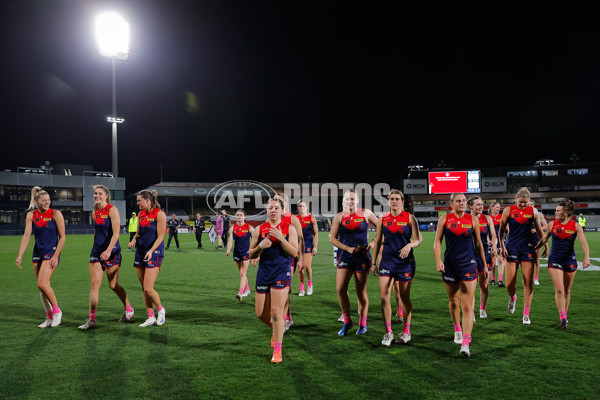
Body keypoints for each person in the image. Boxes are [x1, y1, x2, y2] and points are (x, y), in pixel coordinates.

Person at [433, 192, 487, 357]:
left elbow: (478, 244)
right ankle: (457, 328)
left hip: (468, 265)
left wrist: (484, 264)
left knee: (467, 305)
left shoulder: (473, 220)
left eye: (464, 201)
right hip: (449, 266)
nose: (462, 203)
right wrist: (438, 261)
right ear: (452, 204)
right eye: (459, 201)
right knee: (454, 302)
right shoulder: (444, 219)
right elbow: (437, 242)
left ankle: (466, 342)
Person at [249, 198, 298, 363]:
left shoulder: (288, 228)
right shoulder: (259, 230)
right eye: (270, 207)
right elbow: (250, 254)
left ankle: (278, 350)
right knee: (260, 313)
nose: (273, 210)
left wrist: (281, 238)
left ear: (282, 211)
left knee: (276, 312)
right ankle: (276, 329)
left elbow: (294, 253)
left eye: (276, 208)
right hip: (264, 273)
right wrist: (261, 246)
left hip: (281, 273)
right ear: (266, 210)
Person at [79, 185, 134, 330]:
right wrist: (95, 250)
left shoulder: (112, 209)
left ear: (106, 196)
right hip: (96, 253)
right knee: (94, 285)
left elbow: (116, 233)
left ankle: (128, 308)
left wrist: (108, 251)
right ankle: (91, 319)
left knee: (113, 285)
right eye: (95, 193)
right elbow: (97, 232)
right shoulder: (95, 211)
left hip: (112, 253)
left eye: (100, 194)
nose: (97, 196)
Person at [371, 189, 421, 346]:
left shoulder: (409, 218)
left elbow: (418, 239)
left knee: (405, 298)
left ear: (402, 202)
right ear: (388, 201)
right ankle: (388, 332)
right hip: (386, 261)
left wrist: (409, 245)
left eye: (397, 199)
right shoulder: (383, 219)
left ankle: (406, 332)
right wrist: (373, 263)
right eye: (391, 199)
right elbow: (378, 241)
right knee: (384, 297)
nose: (394, 201)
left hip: (405, 263)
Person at [15, 186, 66, 328]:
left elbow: (62, 237)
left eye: (48, 200)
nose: (47, 202)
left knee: (42, 283)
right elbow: (26, 236)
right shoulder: (31, 215)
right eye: (44, 200)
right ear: (37, 201)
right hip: (38, 253)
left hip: (51, 252)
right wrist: (20, 255)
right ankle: (49, 317)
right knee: (43, 287)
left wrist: (56, 256)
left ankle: (57, 311)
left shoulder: (56, 214)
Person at [329, 190, 379, 336]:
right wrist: (348, 249)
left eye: (352, 199)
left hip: (362, 257)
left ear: (357, 200)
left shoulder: (366, 213)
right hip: (345, 256)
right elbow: (332, 239)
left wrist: (373, 242)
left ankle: (362, 324)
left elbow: (381, 228)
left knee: (360, 292)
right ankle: (347, 321)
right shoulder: (339, 217)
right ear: (343, 201)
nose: (349, 201)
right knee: (340, 289)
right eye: (347, 199)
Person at [535, 200, 591, 329]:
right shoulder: (552, 224)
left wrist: (587, 258)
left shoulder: (576, 226)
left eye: (558, 210)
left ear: (565, 213)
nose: (555, 212)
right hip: (554, 259)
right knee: (559, 289)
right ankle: (563, 318)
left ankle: (564, 314)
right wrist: (537, 248)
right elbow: (544, 238)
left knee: (566, 290)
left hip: (570, 260)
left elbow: (584, 243)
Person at [498, 187, 545, 325]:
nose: (523, 205)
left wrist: (545, 244)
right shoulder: (508, 210)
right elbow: (501, 232)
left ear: (529, 201)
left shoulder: (532, 212)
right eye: (520, 202)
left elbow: (538, 229)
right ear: (516, 200)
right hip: (511, 248)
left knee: (527, 282)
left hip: (527, 249)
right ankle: (513, 298)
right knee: (509, 283)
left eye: (525, 202)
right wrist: (502, 246)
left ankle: (526, 314)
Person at [128, 190, 167, 327]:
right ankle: (150, 317)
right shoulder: (141, 214)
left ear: (147, 201)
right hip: (140, 252)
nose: (137, 203)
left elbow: (161, 236)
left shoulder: (159, 214)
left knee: (148, 288)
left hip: (154, 252)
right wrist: (133, 240)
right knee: (144, 289)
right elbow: (138, 233)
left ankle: (161, 310)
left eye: (139, 201)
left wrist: (151, 251)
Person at [274, 193, 304, 331]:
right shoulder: (272, 217)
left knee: (283, 288)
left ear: (285, 203)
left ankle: (285, 319)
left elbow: (300, 239)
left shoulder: (292, 219)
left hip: (289, 258)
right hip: (274, 259)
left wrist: (301, 259)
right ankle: (287, 317)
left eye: (278, 201)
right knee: (280, 289)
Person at [467, 196, 497, 319]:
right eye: (477, 205)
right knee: (471, 286)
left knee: (484, 285)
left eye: (481, 204)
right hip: (470, 256)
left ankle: (482, 308)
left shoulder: (487, 218)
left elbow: (494, 235)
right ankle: (471, 312)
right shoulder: (466, 219)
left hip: (485, 255)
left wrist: (494, 245)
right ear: (470, 206)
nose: (480, 207)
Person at [226, 209, 254, 301]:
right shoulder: (233, 228)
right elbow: (230, 240)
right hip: (236, 252)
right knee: (242, 273)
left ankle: (240, 293)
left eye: (241, 215)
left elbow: (255, 240)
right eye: (237, 215)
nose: (239, 216)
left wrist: (255, 252)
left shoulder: (249, 227)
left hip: (246, 253)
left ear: (244, 217)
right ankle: (248, 289)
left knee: (243, 273)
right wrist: (228, 250)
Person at [296, 199, 319, 296]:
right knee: (299, 268)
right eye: (300, 206)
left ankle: (310, 284)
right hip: (298, 246)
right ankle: (302, 288)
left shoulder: (311, 218)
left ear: (307, 207)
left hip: (309, 244)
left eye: (303, 206)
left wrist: (315, 246)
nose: (301, 208)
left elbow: (316, 233)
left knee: (307, 266)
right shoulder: (295, 219)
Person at [529, 200, 548, 286]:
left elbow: (546, 226)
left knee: (536, 258)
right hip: (526, 238)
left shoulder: (539, 214)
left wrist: (537, 229)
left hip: (536, 237)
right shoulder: (524, 214)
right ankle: (528, 277)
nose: (530, 206)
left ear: (534, 205)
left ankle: (536, 278)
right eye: (528, 204)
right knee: (527, 259)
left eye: (531, 204)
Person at [488, 201, 505, 287]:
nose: (499, 208)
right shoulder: (488, 218)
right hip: (491, 241)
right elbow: (486, 231)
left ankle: (500, 280)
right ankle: (492, 279)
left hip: (500, 241)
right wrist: (488, 240)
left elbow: (505, 230)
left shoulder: (502, 217)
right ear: (492, 208)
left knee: (501, 260)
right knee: (492, 261)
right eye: (497, 207)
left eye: (499, 207)